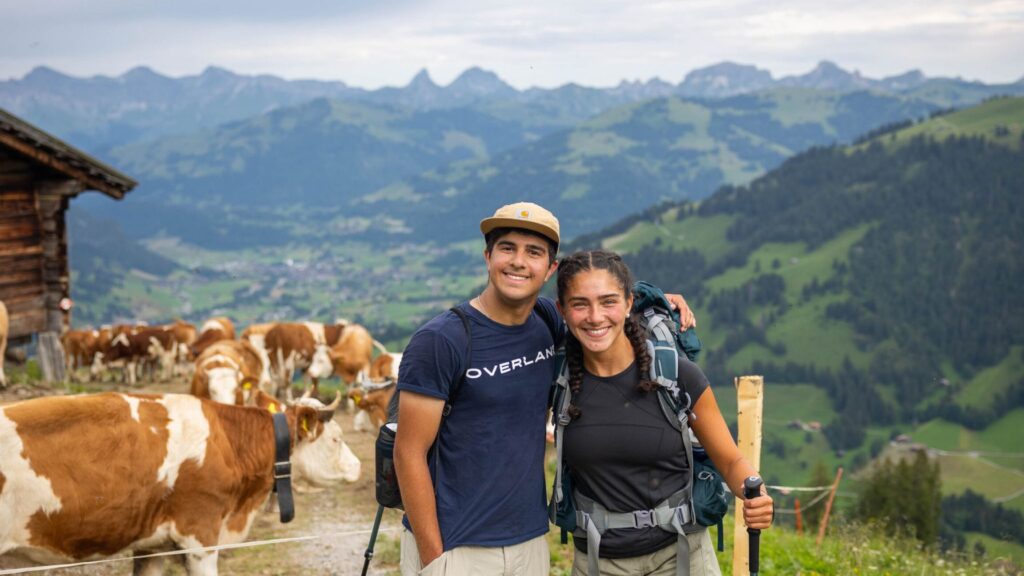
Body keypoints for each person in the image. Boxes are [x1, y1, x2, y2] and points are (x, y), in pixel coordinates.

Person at [393, 202, 695, 576]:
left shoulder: (546, 321)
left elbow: (599, 317)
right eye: (507, 248)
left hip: (530, 543)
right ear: (488, 257)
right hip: (457, 547)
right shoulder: (443, 340)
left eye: (534, 252)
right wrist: (434, 557)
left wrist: (659, 302)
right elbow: (408, 452)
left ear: (550, 269)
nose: (519, 261)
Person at [555, 249, 773, 576]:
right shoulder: (558, 384)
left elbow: (729, 460)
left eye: (608, 301)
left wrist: (752, 493)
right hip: (599, 562)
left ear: (630, 303)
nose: (595, 316)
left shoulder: (677, 376)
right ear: (562, 310)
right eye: (580, 304)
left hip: (682, 554)